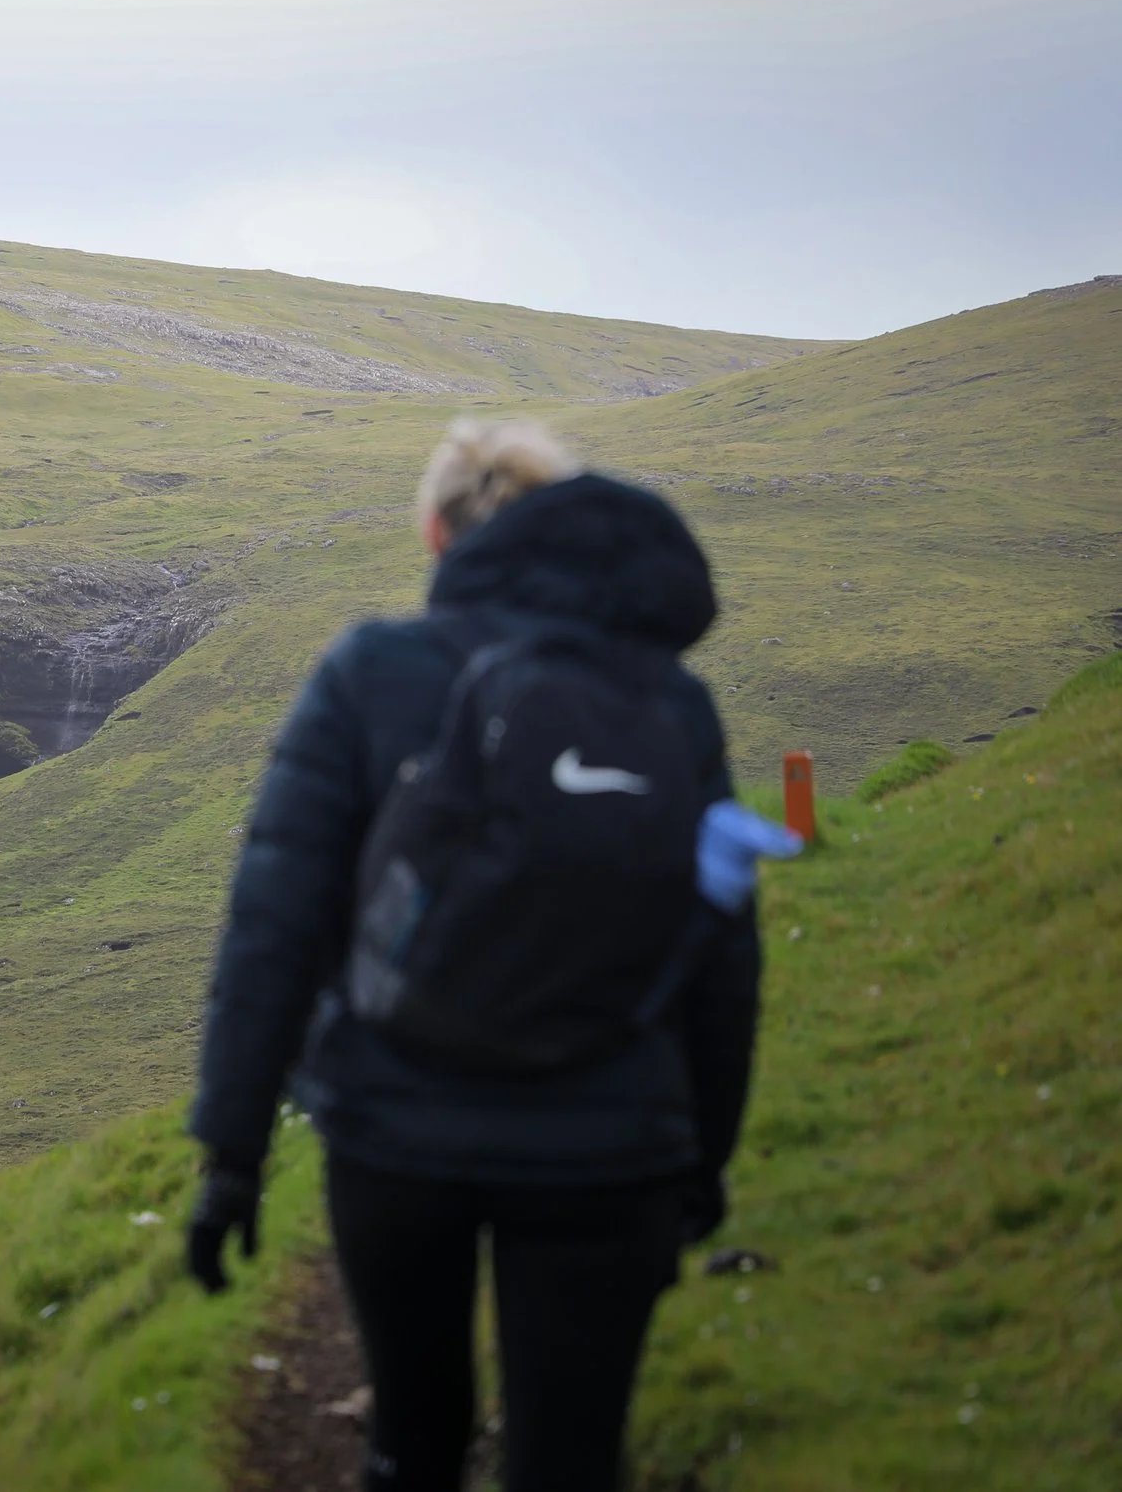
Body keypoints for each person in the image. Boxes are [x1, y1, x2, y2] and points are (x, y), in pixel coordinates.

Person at [186, 418, 779, 1492]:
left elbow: (276, 916)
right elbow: (718, 951)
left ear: (432, 533)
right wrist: (701, 1158)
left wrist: (232, 1151)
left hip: (394, 1133)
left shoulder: (370, 671)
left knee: (412, 1440)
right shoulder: (667, 700)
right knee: (569, 1457)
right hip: (611, 1147)